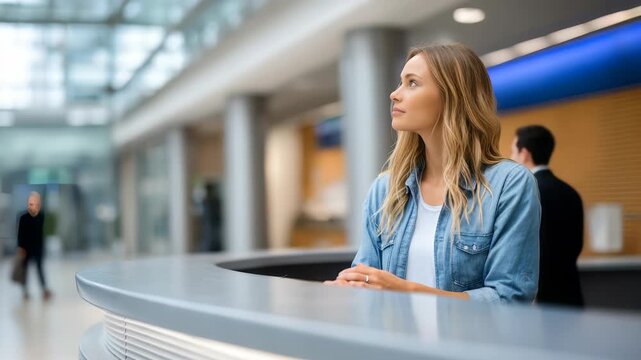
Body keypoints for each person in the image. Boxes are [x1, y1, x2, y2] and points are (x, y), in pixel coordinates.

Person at [326, 44, 541, 303]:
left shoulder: (509, 184)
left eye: (412, 83)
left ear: (452, 95)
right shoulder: (386, 189)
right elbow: (366, 282)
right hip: (395, 343)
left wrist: (406, 290)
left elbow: (510, 298)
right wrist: (347, 286)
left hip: (469, 344)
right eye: (400, 83)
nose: (394, 94)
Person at [511, 125, 584, 307]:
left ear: (524, 153)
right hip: (571, 294)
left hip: (538, 299)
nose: (511, 158)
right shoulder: (571, 192)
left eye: (513, 152)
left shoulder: (524, 192)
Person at [17, 191, 52, 300]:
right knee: (25, 270)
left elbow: (42, 233)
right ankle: (25, 291)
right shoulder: (23, 217)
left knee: (40, 269)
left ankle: (44, 290)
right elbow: (20, 234)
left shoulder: (41, 216)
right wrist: (20, 247)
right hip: (26, 248)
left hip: (37, 248)